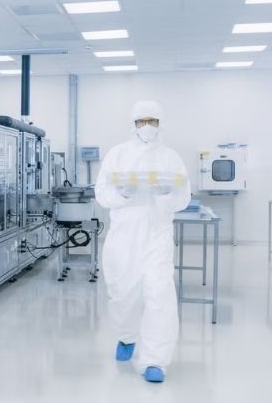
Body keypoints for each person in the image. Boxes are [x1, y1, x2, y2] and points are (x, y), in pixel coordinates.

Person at [94, 100, 191, 383]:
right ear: (133, 124)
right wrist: (122, 193)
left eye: (152, 121)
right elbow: (102, 194)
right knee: (123, 294)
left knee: (159, 296)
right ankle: (126, 337)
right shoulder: (117, 154)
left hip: (157, 237)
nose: (147, 127)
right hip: (123, 238)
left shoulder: (171, 158)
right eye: (141, 121)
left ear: (160, 124)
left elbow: (183, 198)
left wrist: (165, 194)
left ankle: (155, 360)